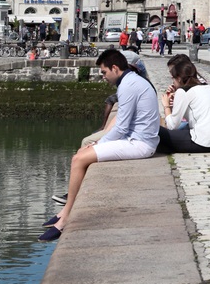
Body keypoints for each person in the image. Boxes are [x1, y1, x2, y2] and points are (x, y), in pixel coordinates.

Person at [38, 48, 159, 241]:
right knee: (82, 152)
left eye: (104, 72)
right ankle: (64, 210)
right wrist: (97, 144)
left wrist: (98, 143)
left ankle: (66, 217)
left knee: (79, 158)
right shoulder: (132, 81)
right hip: (138, 139)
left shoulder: (128, 85)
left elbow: (121, 126)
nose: (103, 77)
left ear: (114, 68)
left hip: (139, 144)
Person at [157, 56, 210, 154]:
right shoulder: (209, 87)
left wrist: (166, 106)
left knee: (156, 130)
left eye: (173, 78)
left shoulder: (182, 91)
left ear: (178, 78)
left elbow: (172, 125)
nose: (172, 82)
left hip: (202, 143)